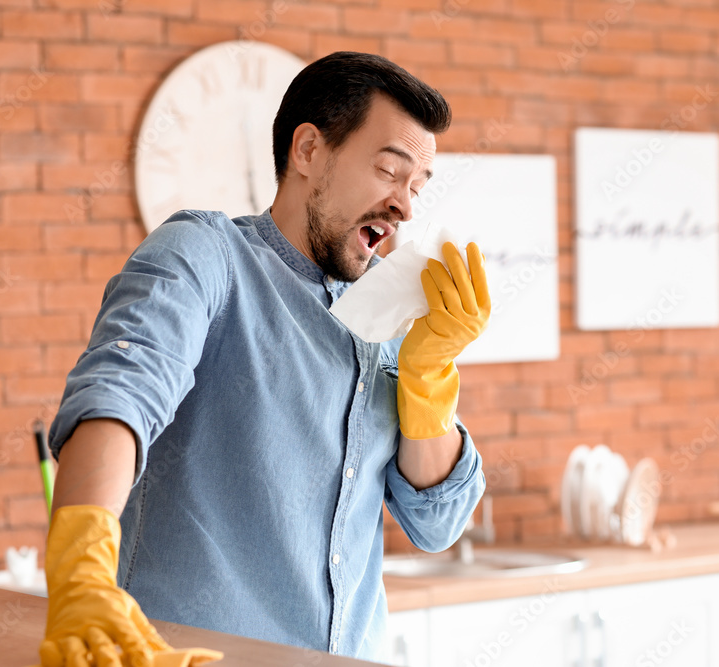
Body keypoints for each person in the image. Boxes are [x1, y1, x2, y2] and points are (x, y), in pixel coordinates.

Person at [39, 51, 490, 666]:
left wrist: (428, 374)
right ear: (308, 151)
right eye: (390, 171)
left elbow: (435, 526)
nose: (405, 205)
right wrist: (81, 569)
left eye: (416, 187)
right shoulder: (205, 256)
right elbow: (121, 394)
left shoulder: (387, 312)